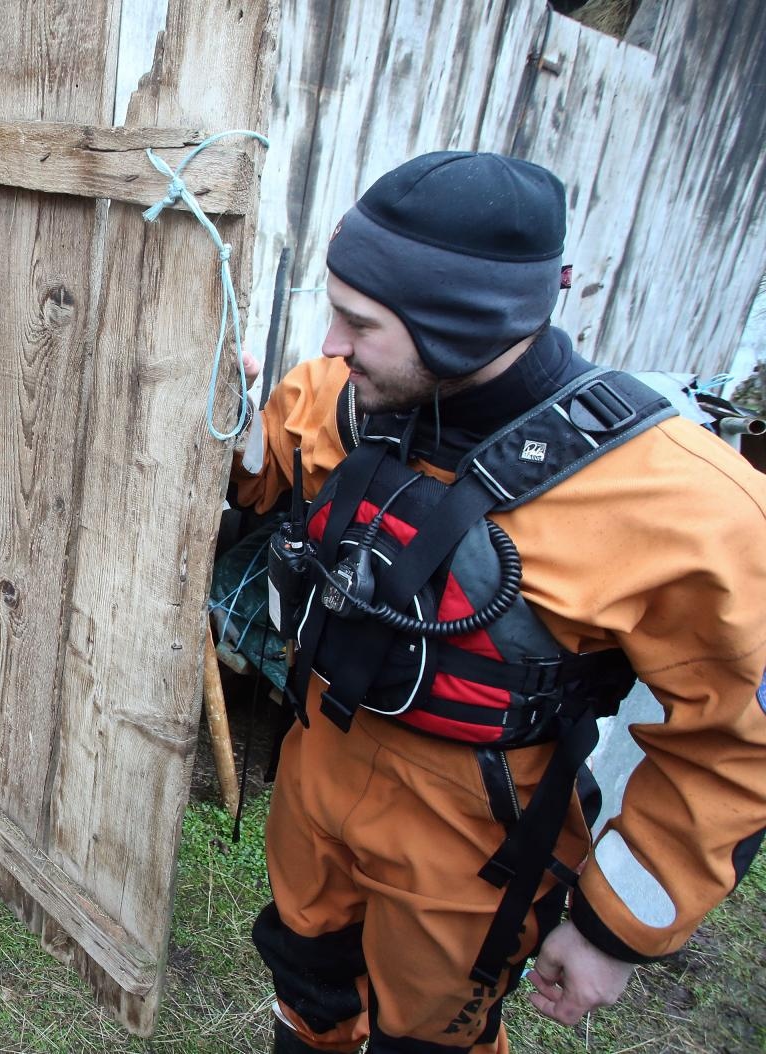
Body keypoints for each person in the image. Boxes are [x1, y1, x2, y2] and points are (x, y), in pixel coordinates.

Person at [227, 151, 766, 1053]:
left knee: (428, 1041)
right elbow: (261, 471)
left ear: (459, 325)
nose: (329, 344)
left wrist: (609, 935)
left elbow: (737, 752)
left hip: (473, 843)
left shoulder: (690, 507)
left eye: (359, 322)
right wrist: (224, 416)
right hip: (318, 775)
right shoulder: (337, 396)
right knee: (308, 987)